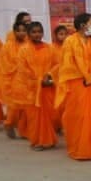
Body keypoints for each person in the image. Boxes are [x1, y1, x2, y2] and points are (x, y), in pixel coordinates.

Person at [56, 13, 91, 160]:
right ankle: (78, 149)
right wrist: (86, 77)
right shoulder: (70, 41)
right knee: (78, 117)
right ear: (82, 25)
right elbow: (67, 65)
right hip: (77, 84)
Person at [17, 21, 59, 150]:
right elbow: (23, 70)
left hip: (48, 86)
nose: (37, 34)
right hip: (32, 89)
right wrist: (39, 81)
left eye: (39, 32)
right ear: (29, 34)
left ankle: (48, 140)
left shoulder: (49, 48)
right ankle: (36, 141)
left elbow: (57, 64)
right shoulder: (23, 50)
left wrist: (49, 76)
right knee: (35, 117)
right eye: (34, 32)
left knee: (49, 115)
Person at [0, 17, 30, 139]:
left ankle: (24, 130)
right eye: (18, 30)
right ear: (14, 32)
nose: (21, 33)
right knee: (15, 106)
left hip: (27, 81)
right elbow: (4, 65)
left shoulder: (28, 45)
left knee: (26, 107)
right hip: (13, 80)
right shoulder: (7, 47)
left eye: (24, 30)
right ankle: (9, 123)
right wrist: (18, 68)